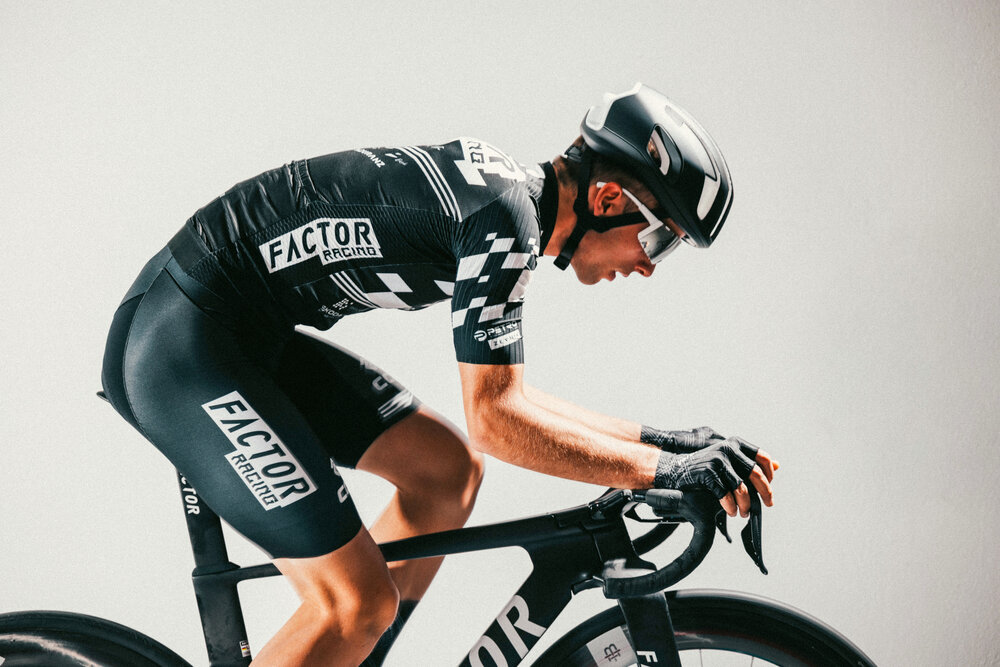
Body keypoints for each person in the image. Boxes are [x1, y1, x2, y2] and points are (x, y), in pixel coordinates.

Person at [101, 83, 779, 666]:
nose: (650, 264)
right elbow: (497, 420)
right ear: (606, 198)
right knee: (358, 603)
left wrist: (668, 445)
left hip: (236, 338)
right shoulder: (503, 220)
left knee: (445, 472)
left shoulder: (508, 205)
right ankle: (347, 634)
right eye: (659, 237)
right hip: (181, 346)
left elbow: (508, 403)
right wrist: (662, 470)